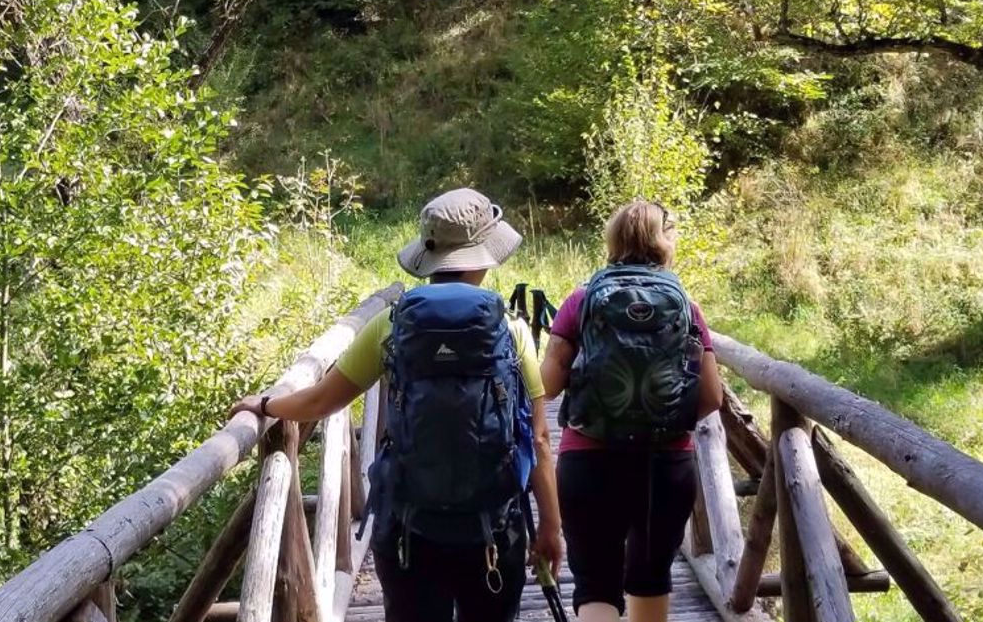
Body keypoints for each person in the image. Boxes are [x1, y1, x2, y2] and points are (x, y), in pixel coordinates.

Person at [231, 188, 564, 622]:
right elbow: (538, 438)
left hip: (409, 528)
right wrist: (552, 528)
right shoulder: (511, 329)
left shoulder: (391, 324)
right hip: (493, 529)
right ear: (484, 255)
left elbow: (319, 402)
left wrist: (266, 404)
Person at [540, 200, 724, 622]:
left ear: (613, 239)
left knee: (595, 585)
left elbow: (546, 387)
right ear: (665, 240)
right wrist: (665, 420)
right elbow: (711, 397)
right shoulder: (685, 306)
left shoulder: (581, 300)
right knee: (650, 577)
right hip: (664, 464)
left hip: (588, 458)